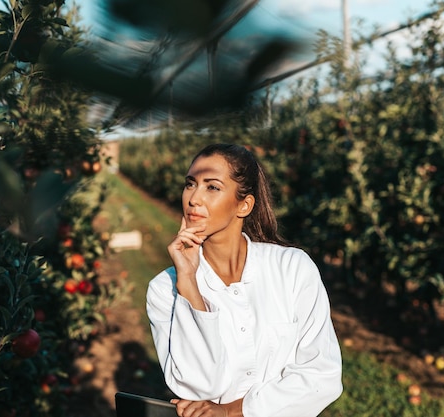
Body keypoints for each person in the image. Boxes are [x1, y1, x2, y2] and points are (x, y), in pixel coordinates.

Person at [146, 143, 342, 417]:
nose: (194, 199)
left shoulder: (292, 269)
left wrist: (231, 412)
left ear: (244, 204)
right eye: (190, 184)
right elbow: (197, 387)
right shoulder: (165, 290)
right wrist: (189, 283)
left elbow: (322, 375)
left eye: (211, 187)